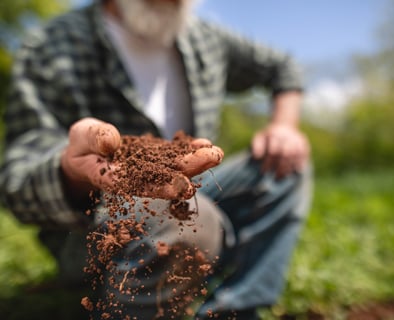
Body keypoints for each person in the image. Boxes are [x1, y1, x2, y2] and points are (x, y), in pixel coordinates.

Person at [0, 0, 312, 319]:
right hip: (95, 222)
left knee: (283, 165)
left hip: (193, 189)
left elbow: (282, 66)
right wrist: (71, 169)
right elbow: (16, 177)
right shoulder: (53, 46)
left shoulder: (202, 37)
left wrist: (284, 127)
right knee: (188, 218)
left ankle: (234, 308)